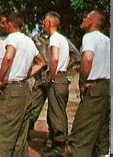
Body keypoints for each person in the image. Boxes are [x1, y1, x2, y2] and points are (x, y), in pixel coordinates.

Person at [0, 12, 46, 156]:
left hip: (12, 90)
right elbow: (41, 62)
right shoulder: (28, 41)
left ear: (10, 24)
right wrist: (26, 74)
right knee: (20, 135)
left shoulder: (12, 38)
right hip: (25, 90)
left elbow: (8, 57)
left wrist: (1, 79)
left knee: (1, 134)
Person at [27, 24, 80, 141]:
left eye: (45, 22)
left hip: (54, 77)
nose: (42, 25)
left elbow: (76, 55)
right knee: (32, 107)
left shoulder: (61, 39)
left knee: (54, 111)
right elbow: (28, 54)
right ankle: (26, 133)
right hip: (40, 78)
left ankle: (54, 139)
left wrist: (65, 66)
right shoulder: (36, 38)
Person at [69, 10, 110, 156]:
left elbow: (87, 58)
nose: (82, 19)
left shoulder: (89, 37)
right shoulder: (107, 41)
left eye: (85, 17)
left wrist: (82, 81)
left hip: (94, 90)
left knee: (80, 136)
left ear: (91, 21)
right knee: (102, 136)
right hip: (106, 89)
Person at [41, 11, 71, 154]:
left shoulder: (54, 39)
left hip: (56, 79)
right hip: (62, 77)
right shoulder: (62, 39)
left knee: (56, 114)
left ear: (50, 23)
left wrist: (51, 77)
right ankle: (55, 143)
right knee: (56, 111)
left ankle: (59, 146)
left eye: (44, 22)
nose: (42, 25)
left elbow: (54, 58)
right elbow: (68, 59)